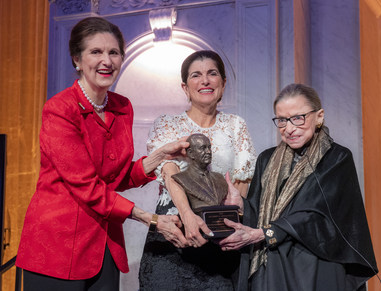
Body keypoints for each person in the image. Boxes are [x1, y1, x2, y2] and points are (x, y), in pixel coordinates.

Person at [16, 17, 189, 291]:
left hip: (104, 244)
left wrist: (159, 157)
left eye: (114, 52)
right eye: (96, 52)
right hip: (57, 248)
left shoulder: (122, 107)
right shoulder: (60, 109)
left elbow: (115, 177)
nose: (106, 60)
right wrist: (151, 219)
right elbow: (86, 185)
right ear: (77, 59)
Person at [219, 83, 378, 290]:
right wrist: (241, 204)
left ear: (319, 116)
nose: (290, 128)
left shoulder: (337, 158)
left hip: (315, 262)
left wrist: (264, 234)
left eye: (298, 118)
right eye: (282, 120)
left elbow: (318, 214)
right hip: (271, 262)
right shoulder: (266, 160)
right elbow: (258, 213)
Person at [139, 50, 257, 290]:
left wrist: (231, 222)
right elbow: (169, 171)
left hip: (220, 234)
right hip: (174, 230)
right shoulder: (167, 123)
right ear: (185, 87)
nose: (205, 81)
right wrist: (187, 216)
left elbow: (241, 180)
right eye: (196, 75)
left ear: (223, 83)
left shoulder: (236, 125)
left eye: (212, 73)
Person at [172, 133, 228, 209]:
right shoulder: (182, 178)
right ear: (190, 153)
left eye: (209, 147)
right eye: (203, 148)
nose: (208, 151)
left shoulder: (219, 178)